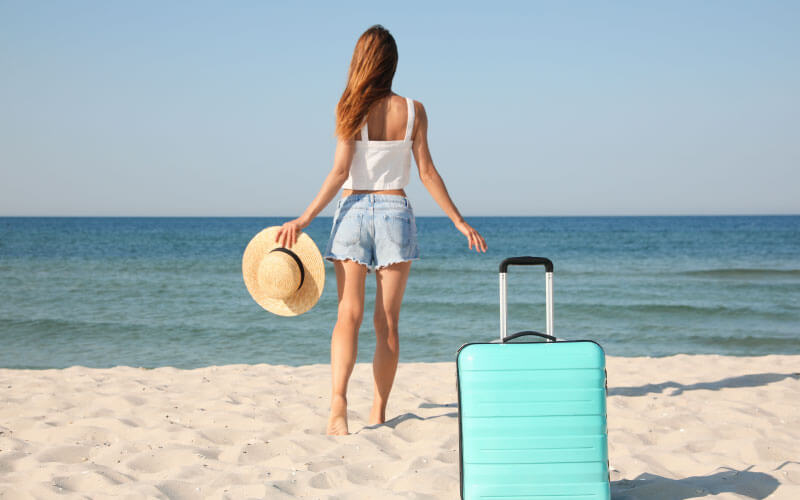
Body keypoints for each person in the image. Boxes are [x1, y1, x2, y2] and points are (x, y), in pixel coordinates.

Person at [275, 24, 487, 435]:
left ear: (360, 61)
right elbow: (427, 172)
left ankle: (338, 403)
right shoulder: (413, 110)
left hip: (352, 209)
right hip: (395, 211)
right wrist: (458, 220)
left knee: (347, 315)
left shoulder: (348, 107)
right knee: (386, 322)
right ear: (392, 64)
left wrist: (304, 219)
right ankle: (378, 410)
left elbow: (339, 172)